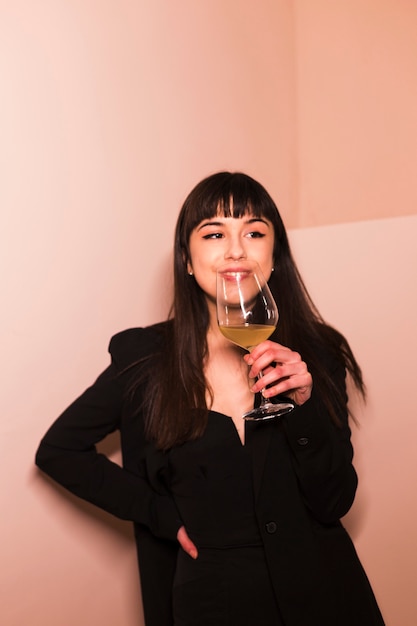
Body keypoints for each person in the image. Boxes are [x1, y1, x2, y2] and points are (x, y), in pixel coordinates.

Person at [35, 172, 385, 626]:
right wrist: (162, 515)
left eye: (254, 233)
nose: (236, 249)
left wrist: (305, 405)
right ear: (186, 258)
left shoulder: (315, 353)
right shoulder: (144, 359)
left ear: (273, 256)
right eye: (215, 233)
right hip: (213, 604)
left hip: (324, 596)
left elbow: (334, 500)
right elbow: (59, 451)